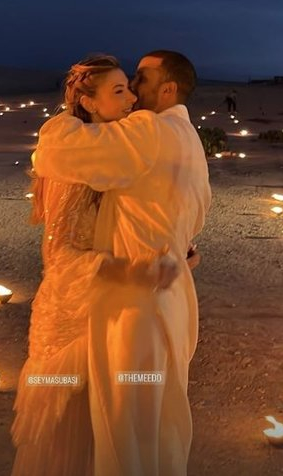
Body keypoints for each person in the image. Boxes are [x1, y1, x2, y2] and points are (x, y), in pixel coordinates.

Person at [33, 49, 211, 476]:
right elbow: (195, 214)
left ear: (168, 89)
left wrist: (66, 118)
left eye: (140, 78)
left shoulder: (150, 130)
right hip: (174, 297)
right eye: (123, 85)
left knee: (126, 426)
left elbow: (56, 151)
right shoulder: (190, 138)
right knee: (161, 419)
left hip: (135, 307)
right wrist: (176, 249)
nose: (133, 88)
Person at [10, 55, 175, 476]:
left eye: (130, 88)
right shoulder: (73, 164)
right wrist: (132, 271)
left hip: (101, 309)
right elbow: (59, 255)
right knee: (72, 434)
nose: (131, 98)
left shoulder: (102, 155)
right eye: (118, 91)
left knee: (109, 430)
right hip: (72, 322)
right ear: (87, 102)